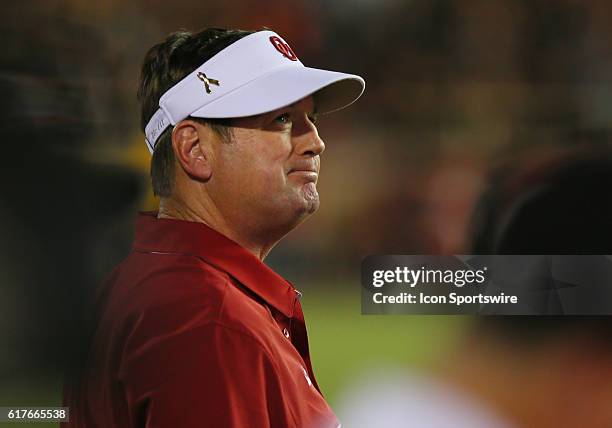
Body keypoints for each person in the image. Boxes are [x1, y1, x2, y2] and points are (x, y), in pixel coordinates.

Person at [63, 27, 364, 427]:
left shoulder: (155, 281)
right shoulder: (207, 319)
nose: (315, 142)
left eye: (310, 118)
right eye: (281, 118)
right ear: (194, 149)